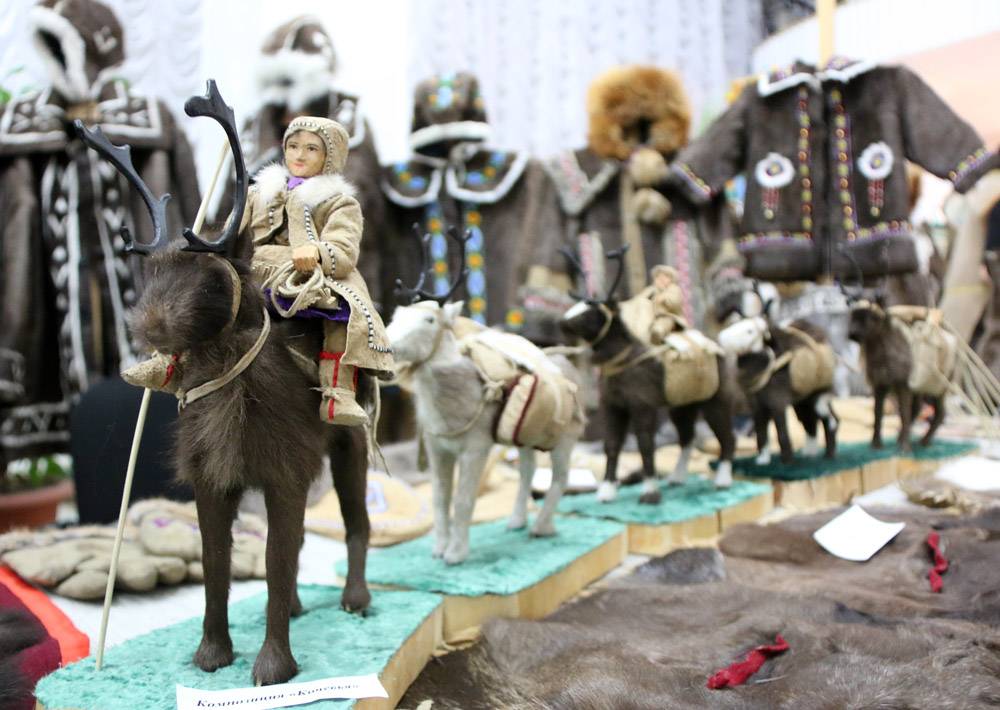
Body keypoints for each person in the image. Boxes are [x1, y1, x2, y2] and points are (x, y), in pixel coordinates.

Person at [242, 116, 393, 426]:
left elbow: (344, 249)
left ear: (329, 157)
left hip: (310, 275)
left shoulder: (339, 203)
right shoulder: (258, 194)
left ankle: (338, 391)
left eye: (311, 149)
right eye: (293, 146)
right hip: (258, 270)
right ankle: (173, 361)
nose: (299, 155)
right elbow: (236, 232)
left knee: (344, 313)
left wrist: (319, 252)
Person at [647, 265, 688, 344]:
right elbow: (643, 300)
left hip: (668, 317)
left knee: (658, 330)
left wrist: (663, 298)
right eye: (659, 277)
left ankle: (658, 342)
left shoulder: (673, 289)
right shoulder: (653, 290)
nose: (661, 279)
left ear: (671, 279)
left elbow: (674, 303)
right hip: (651, 319)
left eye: (665, 277)